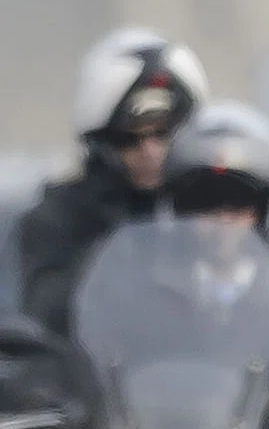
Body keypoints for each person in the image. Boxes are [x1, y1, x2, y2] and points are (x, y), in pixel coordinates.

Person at [17, 27, 209, 336]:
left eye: (164, 133)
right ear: (101, 142)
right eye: (129, 139)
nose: (151, 152)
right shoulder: (61, 217)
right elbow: (46, 312)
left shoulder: (217, 204)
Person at [161, 100, 269, 377]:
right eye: (205, 203)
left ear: (265, 212)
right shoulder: (153, 297)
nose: (222, 220)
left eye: (239, 203)